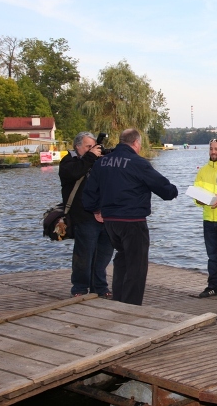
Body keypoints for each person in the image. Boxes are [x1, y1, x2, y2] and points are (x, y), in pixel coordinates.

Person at [82, 129, 178, 306]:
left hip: (110, 222)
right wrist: (173, 191)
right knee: (136, 266)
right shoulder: (137, 163)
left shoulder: (102, 162)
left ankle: (119, 301)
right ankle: (131, 307)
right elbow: (163, 189)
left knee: (122, 260)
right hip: (132, 220)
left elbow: (88, 194)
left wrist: (96, 210)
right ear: (136, 143)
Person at [59, 132, 114, 298]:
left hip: (105, 215)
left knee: (104, 254)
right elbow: (75, 173)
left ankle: (100, 287)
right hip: (83, 216)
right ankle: (80, 288)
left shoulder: (98, 161)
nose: (93, 150)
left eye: (94, 147)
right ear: (77, 147)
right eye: (88, 147)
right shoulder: (69, 161)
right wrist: (91, 156)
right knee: (84, 254)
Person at [194, 138, 217, 299]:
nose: (213, 152)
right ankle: (213, 286)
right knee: (212, 257)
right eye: (211, 149)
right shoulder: (203, 171)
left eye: (216, 149)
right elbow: (196, 192)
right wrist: (198, 200)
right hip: (208, 219)